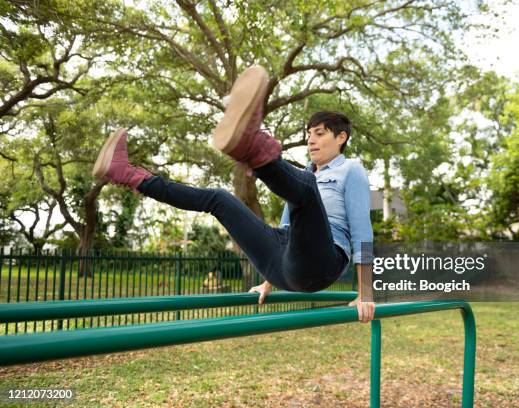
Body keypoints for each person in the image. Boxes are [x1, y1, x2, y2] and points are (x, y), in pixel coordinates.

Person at [92, 65, 375, 322]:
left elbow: (362, 231)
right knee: (219, 198)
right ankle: (128, 175)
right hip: (284, 262)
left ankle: (251, 147)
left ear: (342, 137)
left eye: (320, 133)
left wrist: (365, 292)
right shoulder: (304, 177)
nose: (311, 139)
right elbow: (288, 229)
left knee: (303, 186)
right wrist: (268, 280)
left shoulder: (350, 170)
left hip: (324, 262)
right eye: (309, 133)